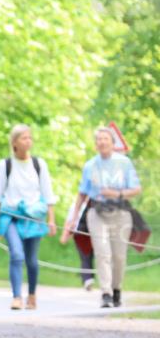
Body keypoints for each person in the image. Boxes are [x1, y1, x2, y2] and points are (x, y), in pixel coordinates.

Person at [67, 127, 142, 308]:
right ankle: (106, 293)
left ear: (112, 142)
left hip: (121, 213)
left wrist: (115, 193)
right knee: (102, 253)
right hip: (97, 213)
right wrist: (74, 218)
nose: (102, 142)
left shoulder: (124, 163)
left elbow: (136, 189)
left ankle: (117, 289)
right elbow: (82, 194)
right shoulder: (90, 165)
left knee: (119, 256)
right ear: (96, 144)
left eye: (105, 139)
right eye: (98, 139)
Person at [0, 124, 57, 310]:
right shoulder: (5, 166)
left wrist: (51, 219)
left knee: (31, 260)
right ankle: (17, 296)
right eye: (24, 138)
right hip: (11, 217)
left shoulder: (39, 165)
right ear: (14, 142)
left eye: (29, 137)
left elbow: (48, 193)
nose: (28, 141)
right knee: (17, 255)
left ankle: (32, 295)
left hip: (33, 218)